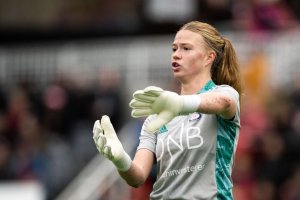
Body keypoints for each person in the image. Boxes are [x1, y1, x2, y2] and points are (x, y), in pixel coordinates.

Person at [93, 20, 242, 199]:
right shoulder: (158, 116)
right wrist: (120, 160)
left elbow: (223, 102)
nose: (176, 55)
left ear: (209, 58)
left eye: (186, 48)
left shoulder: (225, 94)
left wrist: (180, 104)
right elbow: (137, 177)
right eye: (174, 49)